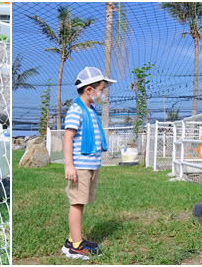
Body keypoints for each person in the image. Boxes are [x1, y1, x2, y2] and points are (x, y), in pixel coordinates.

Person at [61, 66, 114, 260]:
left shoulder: (90, 110)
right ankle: (76, 246)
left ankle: (71, 241)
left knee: (82, 202)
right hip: (80, 166)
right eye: (101, 90)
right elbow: (68, 138)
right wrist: (69, 165)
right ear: (89, 90)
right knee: (76, 203)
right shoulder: (76, 110)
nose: (103, 95)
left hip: (91, 165)